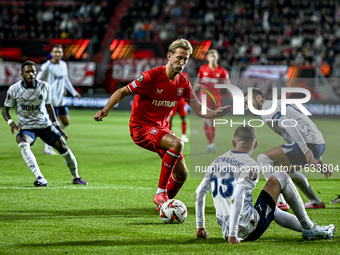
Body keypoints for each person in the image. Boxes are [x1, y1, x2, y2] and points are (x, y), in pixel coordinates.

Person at [94, 39, 231, 211]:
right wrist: (105, 110)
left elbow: (197, 110)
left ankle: (164, 207)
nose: (181, 62)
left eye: (185, 59)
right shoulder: (151, 76)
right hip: (141, 127)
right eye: (179, 58)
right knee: (177, 143)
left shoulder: (183, 82)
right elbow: (122, 91)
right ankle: (160, 193)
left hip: (161, 129)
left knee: (182, 174)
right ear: (169, 56)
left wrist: (215, 113)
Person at [195, 125, 335, 243]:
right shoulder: (250, 164)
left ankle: (310, 228)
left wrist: (200, 226)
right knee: (281, 176)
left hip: (226, 229)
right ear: (255, 144)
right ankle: (309, 228)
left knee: (271, 208)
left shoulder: (217, 161)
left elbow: (199, 193)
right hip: (246, 229)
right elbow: (237, 197)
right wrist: (233, 234)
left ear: (233, 142)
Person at [2, 60, 88, 186]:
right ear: (22, 74)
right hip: (27, 128)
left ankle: (76, 177)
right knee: (23, 143)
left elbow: (49, 107)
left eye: (33, 72)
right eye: (27, 72)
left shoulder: (44, 86)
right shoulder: (14, 89)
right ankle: (39, 177)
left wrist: (57, 126)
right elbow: (5, 110)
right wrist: (11, 123)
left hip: (45, 125)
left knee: (64, 148)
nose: (31, 74)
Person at [244, 88, 330, 210]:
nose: (247, 107)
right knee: (287, 170)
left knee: (263, 159)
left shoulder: (267, 108)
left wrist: (306, 150)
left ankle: (278, 201)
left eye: (247, 102)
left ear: (259, 98)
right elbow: (305, 123)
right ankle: (316, 201)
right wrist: (318, 158)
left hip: (308, 143)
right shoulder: (278, 104)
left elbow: (288, 124)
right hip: (319, 143)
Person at [36, 44, 81, 155]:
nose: (58, 54)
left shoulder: (63, 65)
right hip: (50, 100)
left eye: (59, 52)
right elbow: (38, 79)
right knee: (53, 124)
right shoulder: (47, 66)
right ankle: (48, 147)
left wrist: (74, 92)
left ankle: (51, 135)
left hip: (61, 100)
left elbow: (66, 81)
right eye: (55, 52)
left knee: (66, 122)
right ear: (51, 54)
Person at [194, 49, 231, 153]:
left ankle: (211, 143)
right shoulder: (202, 69)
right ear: (208, 58)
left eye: (214, 56)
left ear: (217, 57)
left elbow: (227, 83)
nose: (212, 58)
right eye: (211, 56)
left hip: (215, 99)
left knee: (214, 120)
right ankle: (210, 143)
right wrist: (193, 91)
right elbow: (198, 81)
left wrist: (232, 92)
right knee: (205, 119)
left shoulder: (222, 71)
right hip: (204, 98)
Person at [168, 72, 190, 143]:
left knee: (183, 118)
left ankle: (183, 135)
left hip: (182, 100)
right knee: (170, 117)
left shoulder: (185, 75)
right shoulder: (171, 73)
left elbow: (187, 86)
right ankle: (169, 134)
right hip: (173, 100)